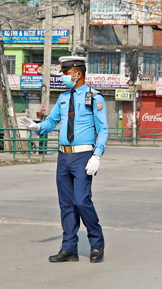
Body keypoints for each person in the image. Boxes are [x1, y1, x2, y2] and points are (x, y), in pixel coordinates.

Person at [18, 56, 109, 263]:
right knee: (66, 204)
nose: (64, 77)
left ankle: (97, 241)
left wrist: (97, 155)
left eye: (66, 74)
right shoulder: (62, 98)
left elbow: (103, 129)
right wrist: (37, 127)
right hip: (63, 156)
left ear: (78, 74)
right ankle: (69, 248)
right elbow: (52, 121)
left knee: (82, 201)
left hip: (84, 155)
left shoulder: (95, 98)